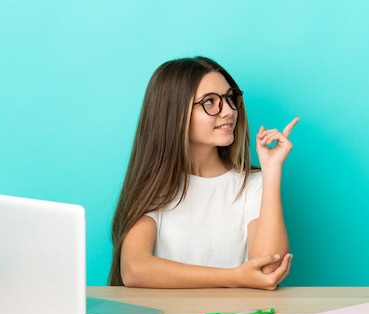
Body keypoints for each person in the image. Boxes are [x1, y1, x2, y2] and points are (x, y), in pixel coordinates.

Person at [108, 56, 297, 290]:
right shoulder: (155, 186)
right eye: (210, 102)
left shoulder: (253, 184)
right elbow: (134, 270)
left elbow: (269, 271)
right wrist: (235, 277)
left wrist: (272, 170)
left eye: (230, 98)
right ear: (173, 113)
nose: (228, 110)